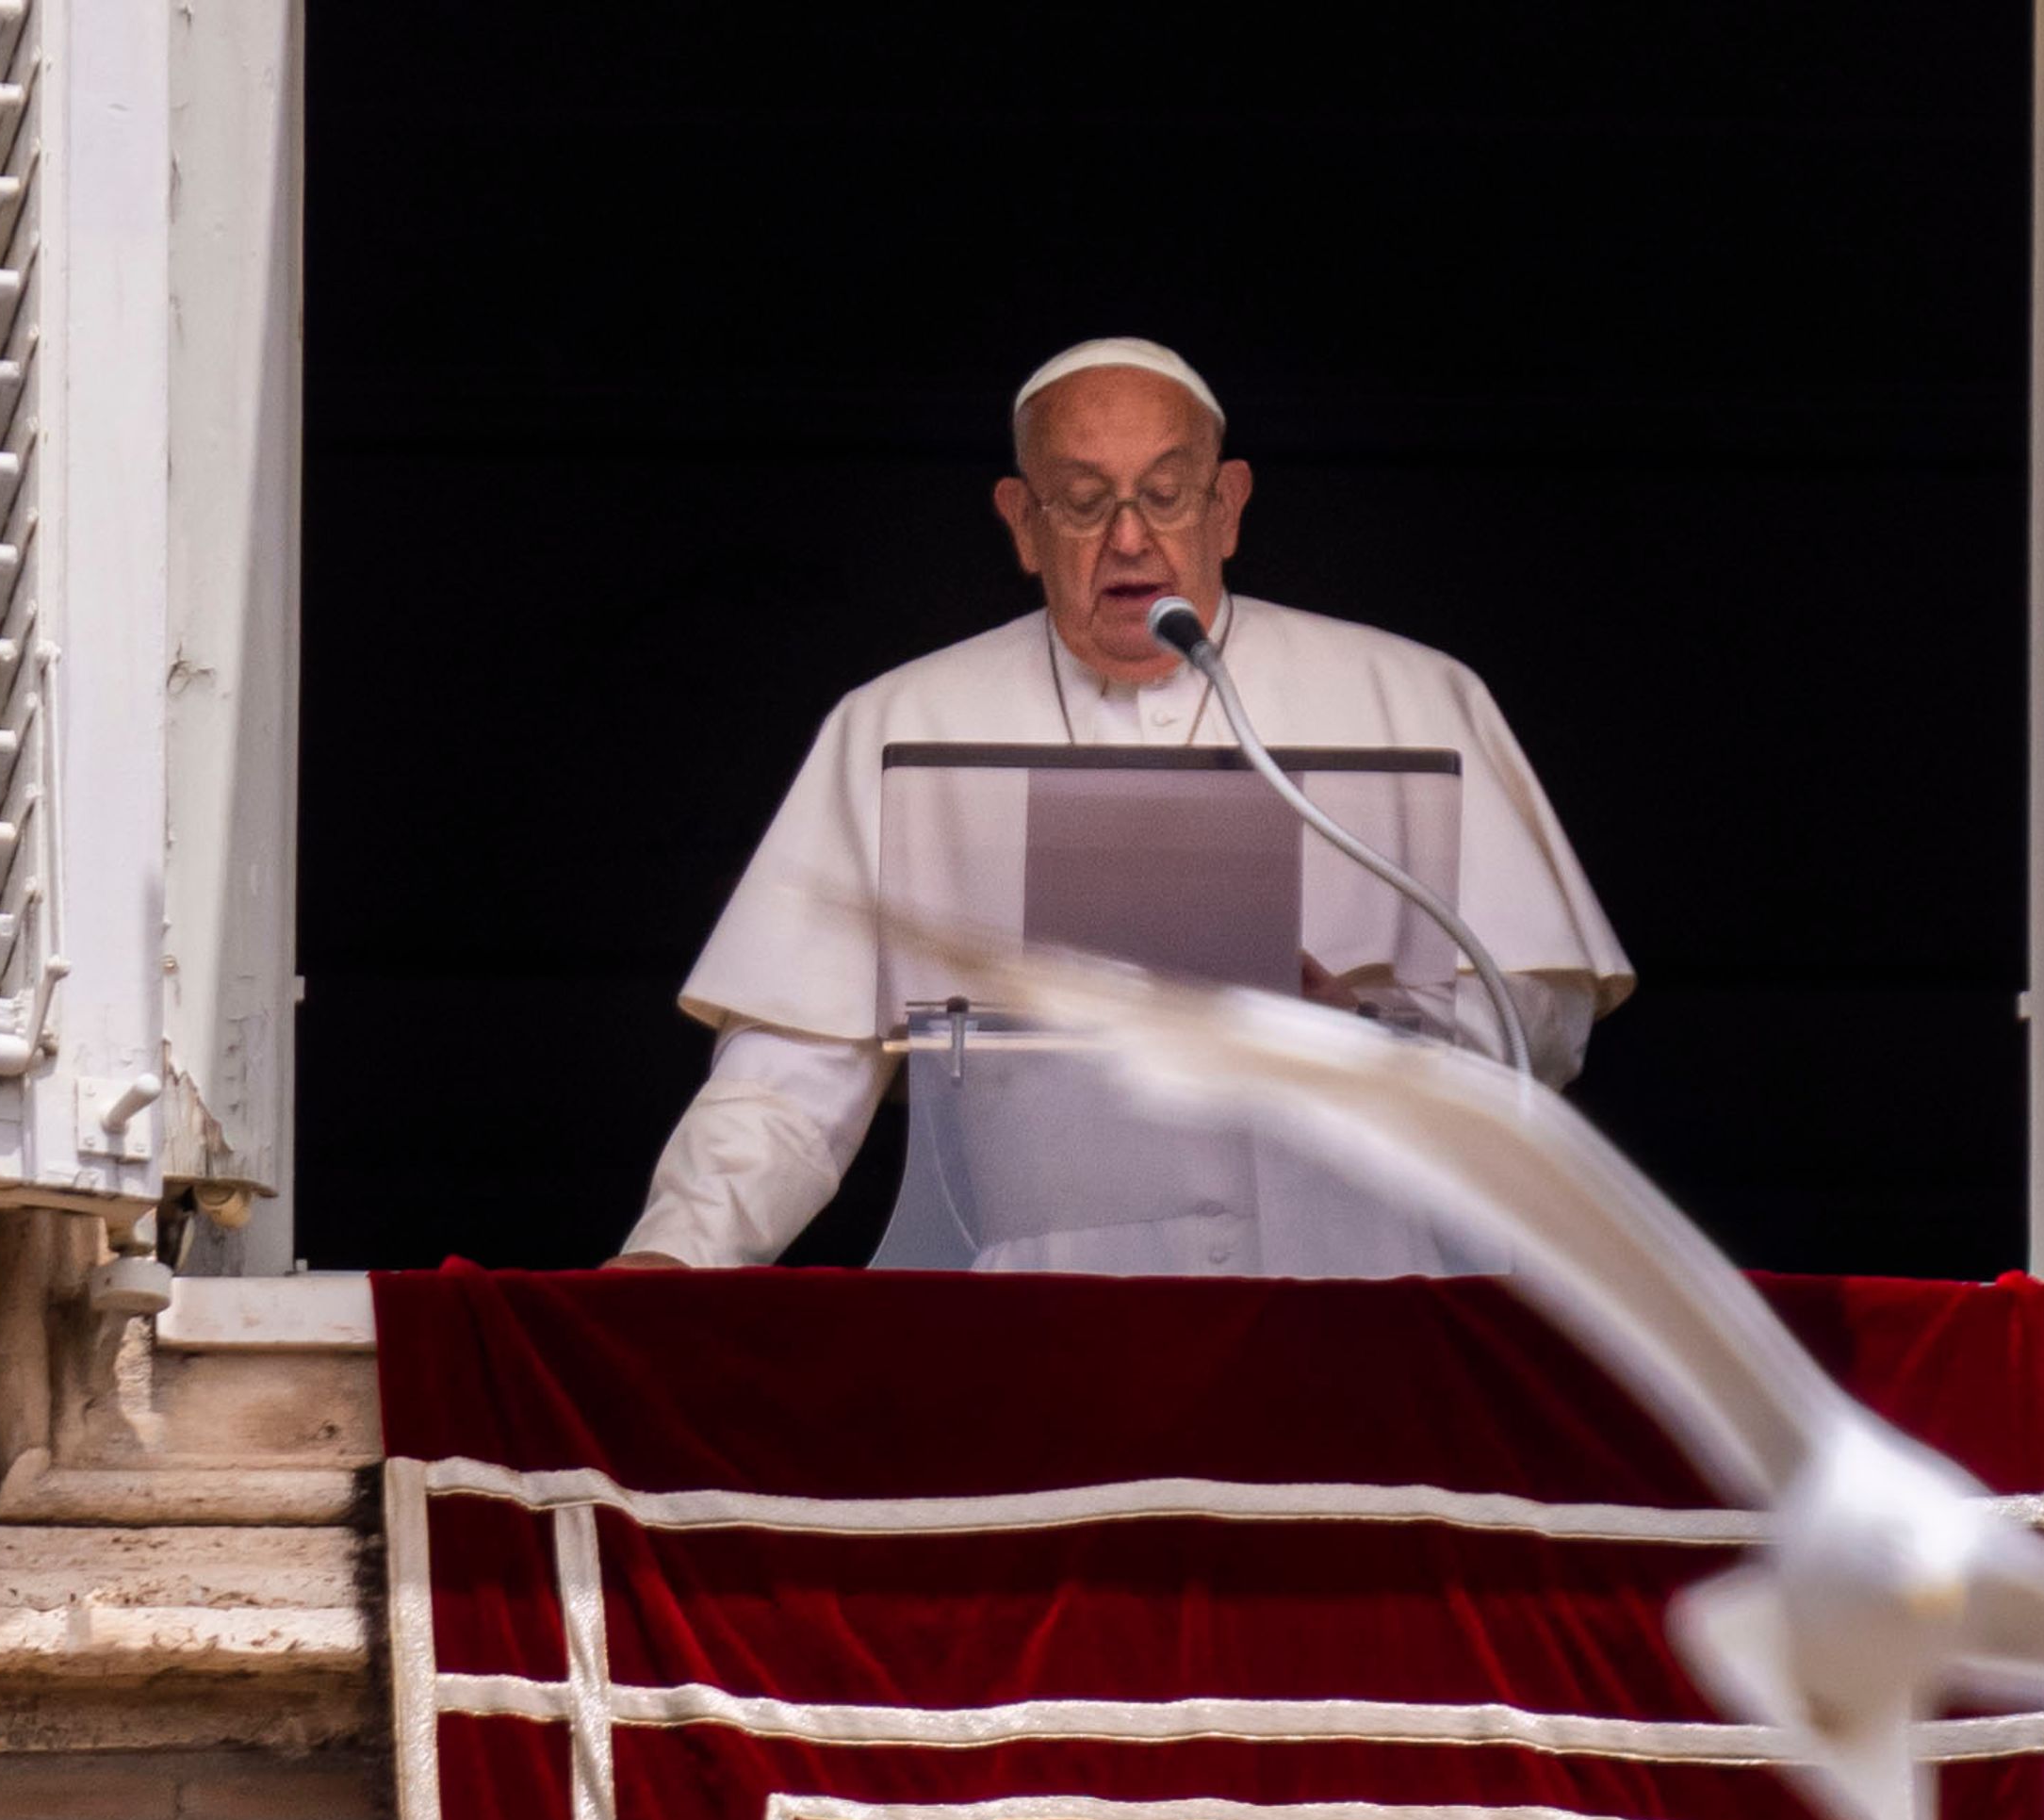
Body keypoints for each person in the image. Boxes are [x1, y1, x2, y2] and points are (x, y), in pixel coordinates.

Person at [613, 336, 1631, 1268]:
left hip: (1357, 1281)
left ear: (1227, 508)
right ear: (1023, 523)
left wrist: (1373, 1025)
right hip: (1049, 1307)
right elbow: (792, 1072)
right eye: (1086, 501)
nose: (1132, 536)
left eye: (1168, 493)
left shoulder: (1414, 697)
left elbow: (1541, 1015)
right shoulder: (897, 723)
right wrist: (674, 1257)